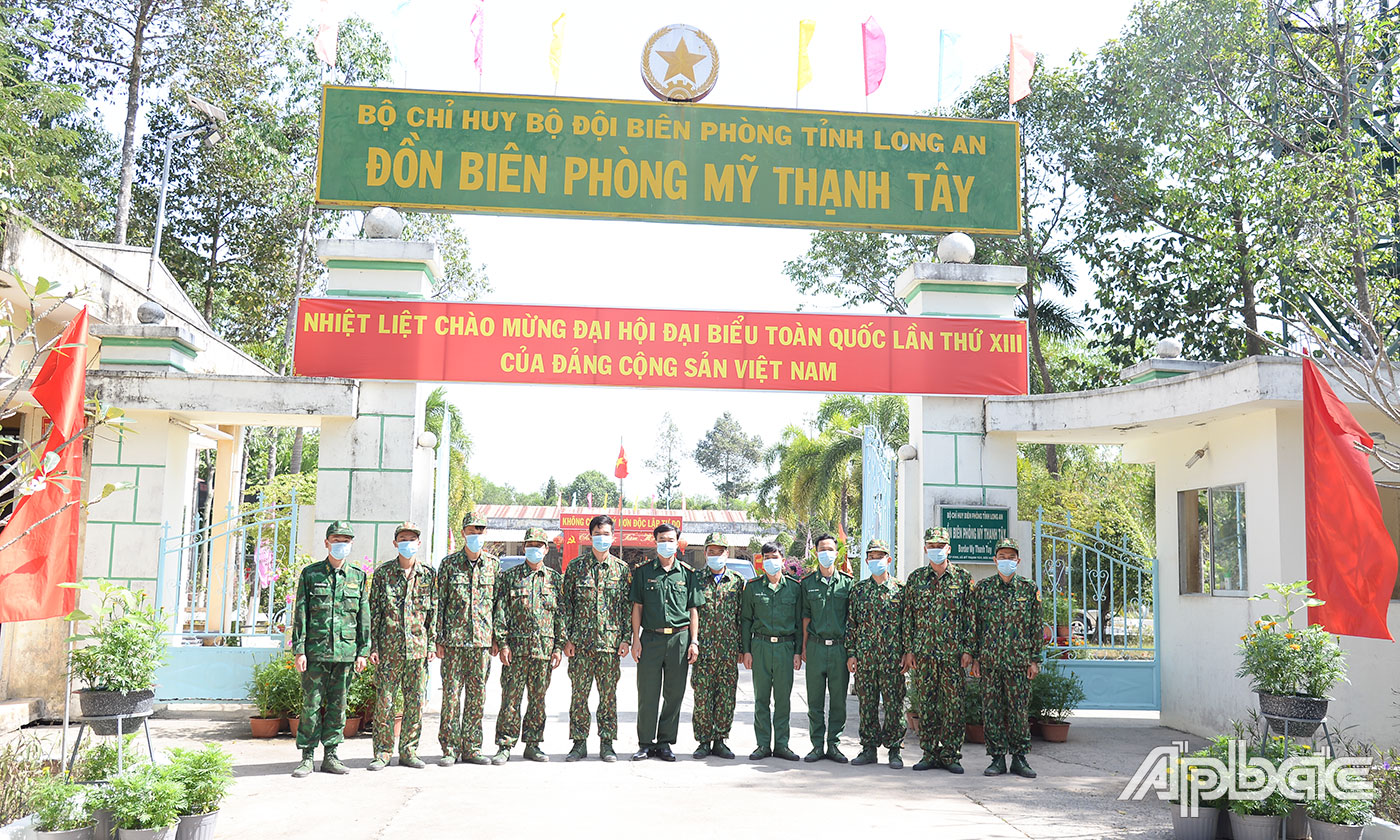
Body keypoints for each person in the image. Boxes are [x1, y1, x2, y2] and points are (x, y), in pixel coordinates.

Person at [290, 521, 370, 777]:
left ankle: (331, 755)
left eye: (345, 541)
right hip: (316, 652)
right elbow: (300, 612)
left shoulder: (358, 576)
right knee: (311, 705)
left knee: (339, 706)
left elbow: (363, 617)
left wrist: (363, 651)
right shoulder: (311, 574)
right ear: (326, 543)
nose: (341, 545)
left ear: (351, 544)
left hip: (345, 653)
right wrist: (299, 650)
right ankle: (307, 756)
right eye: (336, 540)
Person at [901, 526, 974, 773]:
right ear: (925, 549)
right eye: (931, 546)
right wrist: (909, 650)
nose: (936, 550)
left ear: (948, 549)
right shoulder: (916, 579)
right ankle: (929, 753)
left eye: (940, 546)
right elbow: (908, 617)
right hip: (923, 655)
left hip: (953, 656)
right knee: (928, 705)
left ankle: (951, 755)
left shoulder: (963, 579)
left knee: (954, 706)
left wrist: (968, 650)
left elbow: (970, 618)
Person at [491, 527, 565, 764]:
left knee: (537, 700)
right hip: (515, 650)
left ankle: (533, 744)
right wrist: (502, 643)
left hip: (543, 651)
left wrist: (558, 647)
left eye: (539, 545)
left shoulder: (554, 579)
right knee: (510, 699)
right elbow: (500, 611)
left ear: (546, 549)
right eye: (530, 545)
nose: (534, 549)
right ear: (524, 548)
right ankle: (505, 745)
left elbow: (560, 615)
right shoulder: (510, 577)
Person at [561, 514, 631, 762]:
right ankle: (579, 744)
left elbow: (626, 609)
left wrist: (626, 639)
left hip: (609, 646)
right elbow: (565, 606)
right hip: (580, 645)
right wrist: (566, 639)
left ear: (614, 537)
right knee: (579, 695)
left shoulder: (622, 571)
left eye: (607, 534)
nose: (602, 538)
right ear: (590, 536)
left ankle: (607, 743)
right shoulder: (576, 568)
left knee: (608, 696)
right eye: (598, 534)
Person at [367, 522, 436, 771]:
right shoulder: (383, 573)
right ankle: (383, 753)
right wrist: (372, 646)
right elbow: (373, 611)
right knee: (385, 702)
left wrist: (432, 643)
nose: (408, 543)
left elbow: (434, 612)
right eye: (403, 538)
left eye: (412, 539)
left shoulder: (428, 574)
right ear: (395, 543)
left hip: (417, 649)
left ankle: (409, 750)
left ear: (419, 543)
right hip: (388, 650)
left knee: (415, 702)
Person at [630, 522, 702, 761]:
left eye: (671, 539)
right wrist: (635, 640)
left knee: (674, 694)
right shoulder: (643, 572)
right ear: (655, 541)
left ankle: (664, 742)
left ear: (678, 542)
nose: (666, 543)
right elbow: (637, 607)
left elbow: (693, 610)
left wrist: (694, 641)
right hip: (650, 638)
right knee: (648, 693)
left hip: (679, 640)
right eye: (662, 539)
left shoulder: (688, 574)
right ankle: (645, 742)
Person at [971, 537, 1042, 779]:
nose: (1006, 560)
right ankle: (997, 758)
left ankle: (1020, 759)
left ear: (1018, 560)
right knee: (991, 711)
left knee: (1018, 712)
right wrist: (976, 658)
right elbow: (976, 626)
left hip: (1019, 663)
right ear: (995, 560)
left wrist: (1035, 659)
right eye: (1002, 556)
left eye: (1011, 557)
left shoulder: (1028, 588)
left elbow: (1035, 626)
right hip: (990, 663)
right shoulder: (983, 588)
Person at [435, 509, 499, 766]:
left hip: (482, 643)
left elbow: (498, 605)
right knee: (451, 697)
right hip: (453, 642)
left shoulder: (493, 565)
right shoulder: (449, 564)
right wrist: (438, 637)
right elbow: (439, 602)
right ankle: (449, 748)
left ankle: (472, 747)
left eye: (480, 530)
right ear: (463, 533)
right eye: (472, 530)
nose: (476, 535)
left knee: (477, 696)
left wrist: (498, 638)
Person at [845, 539, 906, 769]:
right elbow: (852, 624)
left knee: (894, 705)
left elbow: (906, 625)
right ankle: (868, 748)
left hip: (892, 660)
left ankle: (894, 750)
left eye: (880, 556)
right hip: (866, 659)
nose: (875, 560)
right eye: (871, 557)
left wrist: (907, 652)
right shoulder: (859, 590)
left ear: (888, 560)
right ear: (867, 560)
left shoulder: (900, 590)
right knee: (867, 705)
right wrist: (851, 653)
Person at [740, 542, 802, 762]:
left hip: (785, 647)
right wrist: (746, 650)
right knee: (761, 698)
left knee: (783, 699)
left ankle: (782, 744)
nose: (770, 561)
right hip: (761, 646)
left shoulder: (795, 588)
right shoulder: (753, 587)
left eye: (774, 557)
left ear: (783, 560)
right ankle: (763, 744)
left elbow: (798, 622)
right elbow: (746, 621)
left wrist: (798, 652)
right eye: (766, 557)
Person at [799, 533, 854, 763]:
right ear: (816, 552)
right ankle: (816, 746)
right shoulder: (808, 584)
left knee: (839, 701)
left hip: (840, 648)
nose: (826, 554)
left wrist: (852, 653)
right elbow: (805, 619)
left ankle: (834, 745)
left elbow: (852, 621)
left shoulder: (848, 583)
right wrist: (803, 649)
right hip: (816, 647)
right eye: (822, 549)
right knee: (815, 701)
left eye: (830, 549)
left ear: (837, 553)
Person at [691, 531, 744, 760]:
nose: (715, 555)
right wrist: (693, 642)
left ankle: (720, 740)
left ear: (726, 553)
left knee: (725, 697)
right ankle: (703, 741)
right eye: (711, 552)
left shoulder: (737, 581)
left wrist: (742, 648)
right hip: (703, 650)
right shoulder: (696, 579)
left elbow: (741, 617)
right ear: (705, 553)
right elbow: (692, 611)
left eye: (719, 551)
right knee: (702, 697)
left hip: (728, 650)